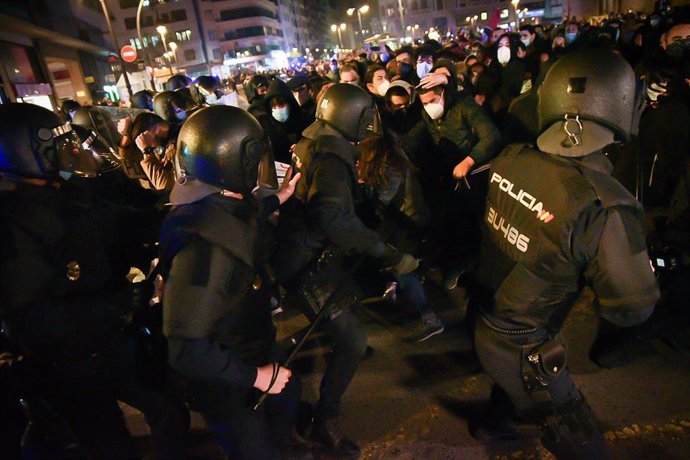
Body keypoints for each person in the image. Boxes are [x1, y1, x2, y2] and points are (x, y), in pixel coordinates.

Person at [471, 48, 660, 459]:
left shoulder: (511, 158)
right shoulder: (602, 206)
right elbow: (630, 309)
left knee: (512, 384)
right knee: (580, 439)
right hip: (525, 342)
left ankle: (494, 422)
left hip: (488, 318)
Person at [0, 103, 190, 459]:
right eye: (54, 146)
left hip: (110, 339)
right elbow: (27, 322)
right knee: (109, 444)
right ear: (23, 152)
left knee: (166, 406)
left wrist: (184, 213)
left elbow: (123, 221)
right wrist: (114, 303)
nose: (67, 152)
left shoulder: (68, 193)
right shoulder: (12, 227)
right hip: (67, 365)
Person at [274, 84, 419, 457]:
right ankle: (324, 420)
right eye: (364, 116)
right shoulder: (331, 157)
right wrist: (386, 253)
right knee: (352, 342)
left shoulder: (316, 142)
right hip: (309, 267)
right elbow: (332, 216)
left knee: (342, 332)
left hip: (309, 259)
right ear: (349, 116)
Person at [159, 105, 305, 459]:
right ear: (231, 162)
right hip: (229, 383)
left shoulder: (219, 203)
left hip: (252, 350)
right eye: (254, 158)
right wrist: (256, 377)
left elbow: (246, 211)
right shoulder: (205, 249)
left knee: (288, 408)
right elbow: (186, 350)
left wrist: (280, 197)